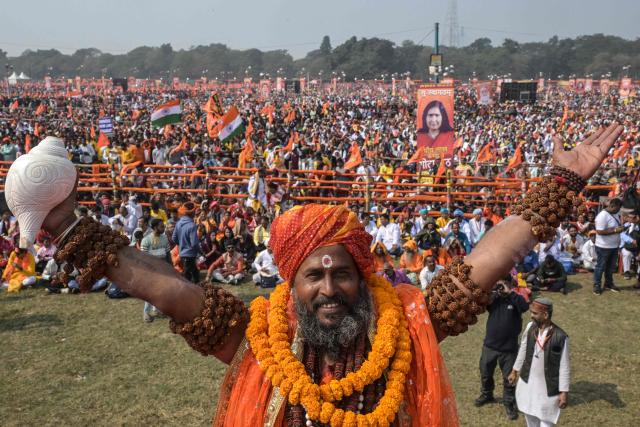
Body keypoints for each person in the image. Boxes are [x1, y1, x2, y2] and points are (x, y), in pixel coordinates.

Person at [36, 123, 623, 425]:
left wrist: (559, 186)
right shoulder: (260, 342)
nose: (328, 287)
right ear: (290, 284)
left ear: (361, 275)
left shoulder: (401, 329)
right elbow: (170, 290)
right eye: (312, 275)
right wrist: (69, 231)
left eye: (339, 272)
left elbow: (482, 266)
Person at [509, 298, 570, 427]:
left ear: (546, 315)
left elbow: (564, 367)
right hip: (528, 383)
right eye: (531, 312)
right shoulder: (530, 327)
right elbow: (523, 349)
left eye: (535, 313)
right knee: (529, 414)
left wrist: (564, 392)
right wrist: (515, 370)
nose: (531, 316)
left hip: (547, 387)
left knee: (546, 420)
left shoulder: (560, 337)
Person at [476, 276, 529, 421]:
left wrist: (510, 292)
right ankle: (487, 394)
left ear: (510, 284)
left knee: (509, 378)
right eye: (501, 283)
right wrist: (494, 290)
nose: (502, 286)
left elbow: (525, 307)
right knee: (486, 372)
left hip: (509, 348)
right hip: (490, 346)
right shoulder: (494, 299)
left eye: (506, 283)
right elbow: (483, 302)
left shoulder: (516, 298)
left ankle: (509, 402)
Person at [141, 219, 171, 322]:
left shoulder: (165, 238)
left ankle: (157, 310)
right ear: (155, 228)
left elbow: (168, 254)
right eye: (161, 226)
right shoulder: (146, 240)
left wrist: (170, 267)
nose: (163, 228)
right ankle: (146, 312)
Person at [593, 198, 623, 294]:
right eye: (618, 208)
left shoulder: (615, 214)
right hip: (603, 247)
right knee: (600, 267)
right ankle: (597, 285)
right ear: (612, 206)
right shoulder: (602, 216)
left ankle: (608, 284)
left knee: (610, 268)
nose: (619, 210)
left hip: (614, 246)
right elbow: (599, 231)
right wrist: (615, 230)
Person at [172, 202, 201, 283]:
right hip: (190, 254)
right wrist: (199, 251)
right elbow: (194, 243)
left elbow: (174, 238)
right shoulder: (192, 225)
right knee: (187, 275)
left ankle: (198, 286)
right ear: (192, 213)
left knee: (194, 271)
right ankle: (186, 290)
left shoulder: (178, 223)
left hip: (182, 252)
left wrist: (181, 244)